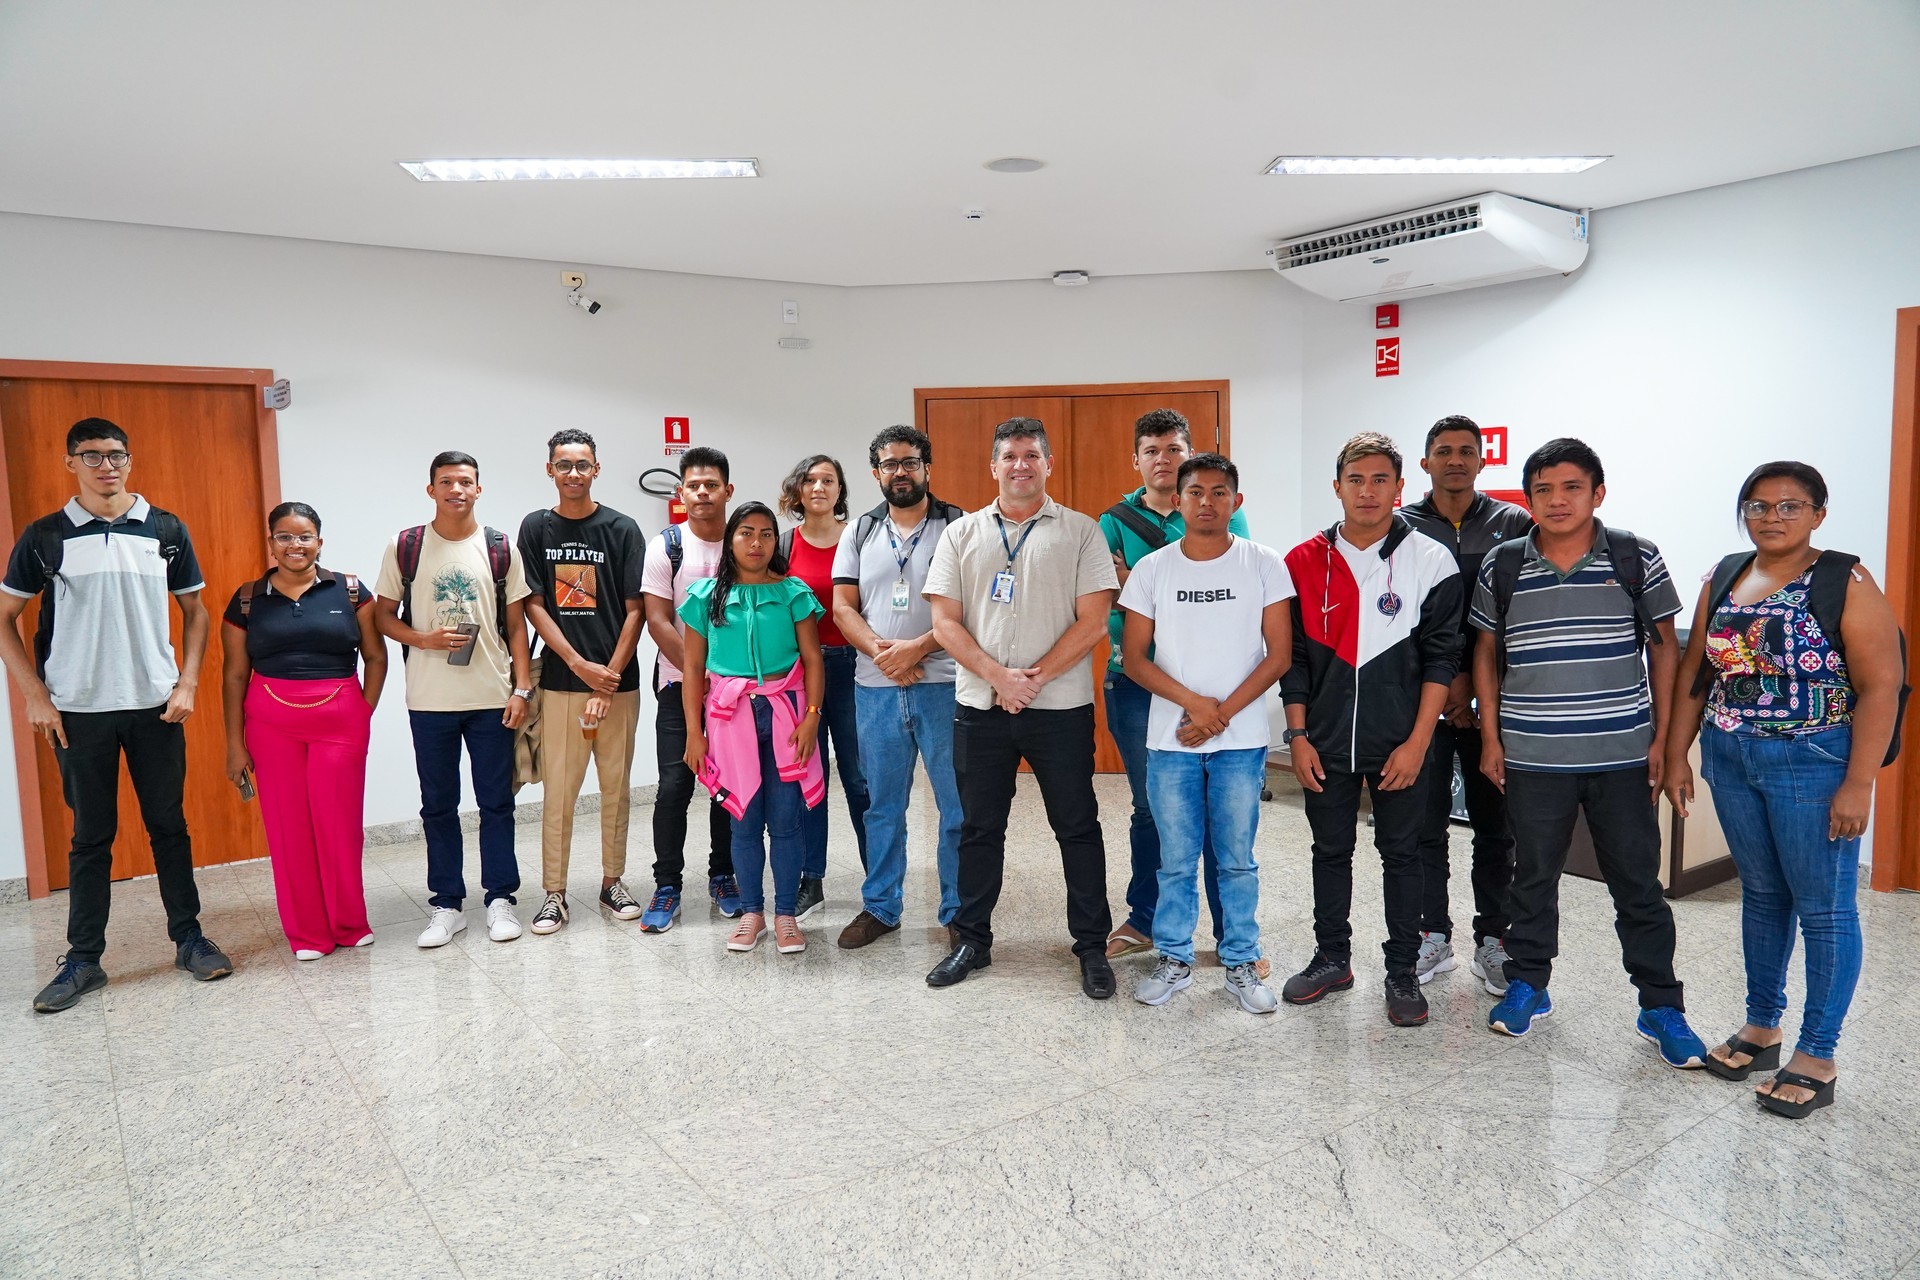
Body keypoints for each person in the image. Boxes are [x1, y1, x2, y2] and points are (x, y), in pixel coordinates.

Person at [1664, 462, 1903, 1117]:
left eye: (1789, 506)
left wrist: (1860, 782)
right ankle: (1762, 1027)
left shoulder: (1842, 578)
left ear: (1818, 514)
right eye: (1759, 505)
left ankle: (1817, 1055)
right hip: (1732, 755)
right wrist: (1675, 754)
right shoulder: (1727, 573)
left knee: (1824, 908)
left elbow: (1882, 683)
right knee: (1764, 896)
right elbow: (1696, 671)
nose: (1771, 517)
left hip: (1814, 758)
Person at [1471, 437, 1708, 1067]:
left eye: (1571, 487)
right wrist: (1492, 738)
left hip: (1622, 754)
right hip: (1533, 754)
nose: (1557, 500)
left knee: (1636, 883)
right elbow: (1486, 657)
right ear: (1528, 499)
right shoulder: (1504, 564)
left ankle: (1661, 1005)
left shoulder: (1636, 557)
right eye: (1543, 490)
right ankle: (1528, 985)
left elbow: (1664, 649)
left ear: (1597, 493)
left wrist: (1663, 737)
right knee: (1532, 879)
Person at [3, 418, 234, 1012]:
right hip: (77, 712)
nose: (106, 466)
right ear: (70, 463)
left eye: (116, 455)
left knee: (169, 827)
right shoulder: (44, 536)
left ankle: (189, 939)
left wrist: (186, 682)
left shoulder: (165, 530)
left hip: (156, 707)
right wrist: (34, 693)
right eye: (92, 456)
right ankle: (83, 960)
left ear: (129, 461)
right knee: (90, 837)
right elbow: (4, 618)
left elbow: (197, 612)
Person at [923, 417, 1120, 999]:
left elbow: (1093, 622)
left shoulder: (1082, 532)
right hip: (980, 706)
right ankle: (972, 941)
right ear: (994, 467)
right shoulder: (960, 535)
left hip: (1059, 707)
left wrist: (1030, 681)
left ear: (1047, 464)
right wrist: (998, 678)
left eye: (1031, 455)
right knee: (979, 828)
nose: (1020, 465)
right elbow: (944, 622)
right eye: (1009, 456)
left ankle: (1090, 946)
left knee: (1077, 827)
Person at [1280, 432, 1461, 1027]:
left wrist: (1418, 742)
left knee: (1402, 856)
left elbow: (1442, 659)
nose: (1367, 491)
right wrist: (1298, 736)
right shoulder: (1302, 561)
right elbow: (1295, 662)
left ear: (1400, 488)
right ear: (1337, 488)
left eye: (1380, 479)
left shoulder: (1431, 558)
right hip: (1323, 741)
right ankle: (1332, 957)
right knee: (1329, 852)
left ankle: (1404, 971)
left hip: (1401, 745)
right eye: (1355, 480)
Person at [1120, 454, 1293, 1014]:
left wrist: (1220, 715)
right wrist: (1195, 706)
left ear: (1235, 503)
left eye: (1220, 493)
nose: (1207, 502)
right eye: (1195, 492)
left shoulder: (1263, 564)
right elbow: (1135, 660)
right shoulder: (1153, 570)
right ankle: (1174, 957)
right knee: (1174, 858)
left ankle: (1241, 960)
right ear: (1179, 500)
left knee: (1236, 858)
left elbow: (1279, 654)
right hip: (1170, 741)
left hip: (1239, 744)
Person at [1098, 408, 1259, 976]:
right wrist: (1132, 586)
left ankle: (1231, 933)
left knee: (1223, 815)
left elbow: (1228, 586)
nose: (1163, 460)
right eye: (1152, 451)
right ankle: (1145, 920)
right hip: (1136, 682)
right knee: (1152, 810)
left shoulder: (1218, 513)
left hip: (1216, 691)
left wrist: (1135, 581)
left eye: (1173, 449)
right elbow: (1111, 599)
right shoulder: (1113, 519)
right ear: (1136, 460)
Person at [373, 450, 533, 948]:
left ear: (478, 489)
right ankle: (446, 904)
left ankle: (500, 900)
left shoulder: (500, 546)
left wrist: (522, 689)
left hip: (491, 698)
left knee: (497, 803)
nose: (456, 490)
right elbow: (381, 617)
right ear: (432, 490)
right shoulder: (407, 546)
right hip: (429, 700)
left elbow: (517, 626)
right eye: (446, 482)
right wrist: (421, 639)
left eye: (465, 481)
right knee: (438, 806)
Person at [1399, 414, 1532, 992]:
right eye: (1443, 451)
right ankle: (1433, 935)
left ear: (1482, 461)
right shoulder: (1398, 526)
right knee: (1423, 824)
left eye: (1466, 452)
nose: (1455, 460)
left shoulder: (1515, 524)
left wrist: (1477, 690)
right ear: (1425, 463)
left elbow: (1524, 616)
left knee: (1495, 828)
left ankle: (1494, 939)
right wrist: (1447, 684)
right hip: (1419, 700)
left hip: (1494, 704)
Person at [221, 502, 387, 959]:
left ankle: (349, 924)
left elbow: (376, 657)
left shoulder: (350, 591)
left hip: (340, 720)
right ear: (271, 541)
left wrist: (361, 711)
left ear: (320, 540)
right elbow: (234, 676)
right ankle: (308, 934)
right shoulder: (247, 598)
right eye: (284, 536)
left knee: (339, 825)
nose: (295, 545)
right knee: (288, 828)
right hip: (271, 726)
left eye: (304, 536)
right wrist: (234, 745)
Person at [830, 425, 967, 949]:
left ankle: (957, 909)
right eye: (890, 465)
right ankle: (881, 907)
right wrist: (884, 654)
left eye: (910, 462)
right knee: (882, 804)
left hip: (946, 686)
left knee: (956, 806)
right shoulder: (860, 530)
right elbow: (843, 606)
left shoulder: (959, 526)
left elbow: (973, 609)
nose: (900, 472)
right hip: (876, 687)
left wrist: (918, 649)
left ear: (927, 467)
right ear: (876, 473)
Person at [518, 429, 649, 935]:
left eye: (582, 464)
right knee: (560, 793)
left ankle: (612, 881)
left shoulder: (622, 528)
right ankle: (554, 894)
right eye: (564, 464)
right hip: (559, 682)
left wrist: (605, 682)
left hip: (619, 685)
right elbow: (533, 605)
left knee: (615, 789)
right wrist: (577, 665)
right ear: (550, 470)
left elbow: (636, 610)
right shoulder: (535, 528)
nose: (574, 473)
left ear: (597, 469)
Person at [680, 502, 826, 953]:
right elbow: (692, 669)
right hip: (730, 719)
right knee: (742, 821)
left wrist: (811, 719)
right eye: (746, 533)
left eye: (766, 533)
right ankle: (751, 913)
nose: (757, 542)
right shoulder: (705, 595)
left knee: (785, 821)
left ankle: (785, 914)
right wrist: (693, 732)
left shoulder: (792, 592)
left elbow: (813, 660)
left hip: (787, 714)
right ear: (730, 541)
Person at [639, 446, 743, 930]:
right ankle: (667, 885)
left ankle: (724, 875)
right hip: (678, 685)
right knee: (675, 787)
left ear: (728, 490)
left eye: (711, 484)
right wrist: (697, 675)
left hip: (735, 693)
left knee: (726, 787)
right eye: (694, 485)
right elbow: (656, 620)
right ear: (682, 493)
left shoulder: (745, 542)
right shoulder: (667, 546)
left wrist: (721, 681)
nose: (702, 492)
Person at [777, 453, 870, 921]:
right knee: (809, 779)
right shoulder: (784, 544)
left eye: (828, 479)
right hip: (803, 673)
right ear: (798, 490)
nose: (819, 487)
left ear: (840, 490)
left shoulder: (862, 536)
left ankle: (879, 881)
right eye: (810, 480)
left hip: (855, 670)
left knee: (859, 778)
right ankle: (810, 880)